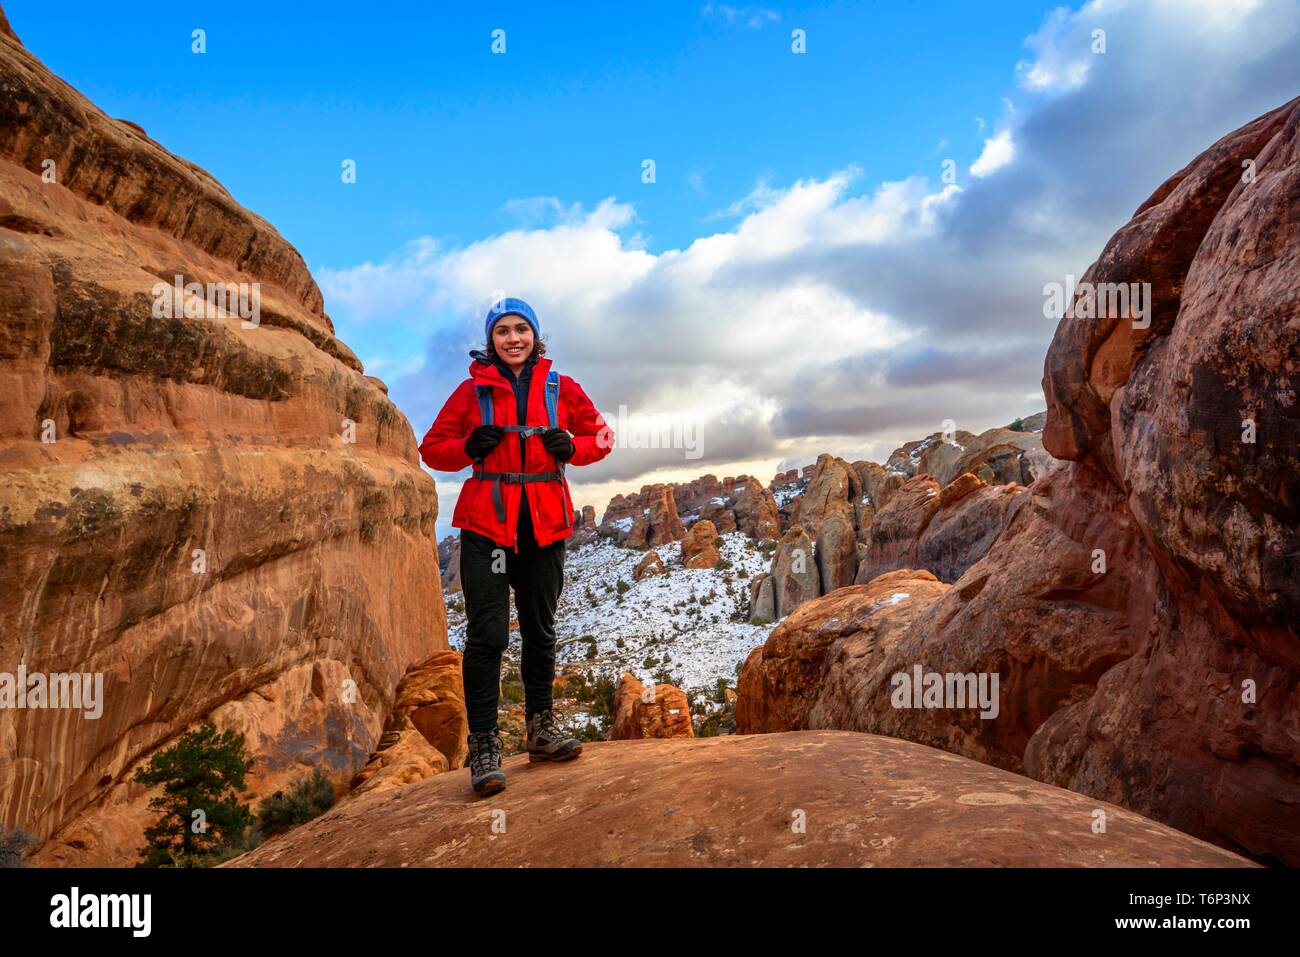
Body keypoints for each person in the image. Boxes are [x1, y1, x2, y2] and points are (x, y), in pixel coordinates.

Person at [419, 298, 614, 796]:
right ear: (491, 340)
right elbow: (431, 448)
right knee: (487, 634)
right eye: (502, 331)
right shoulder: (471, 391)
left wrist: (575, 447)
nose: (512, 339)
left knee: (540, 627)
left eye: (520, 329)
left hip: (544, 524)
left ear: (534, 335)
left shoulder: (561, 388)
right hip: (488, 525)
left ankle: (540, 730)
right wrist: (468, 448)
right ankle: (484, 746)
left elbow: (602, 435)